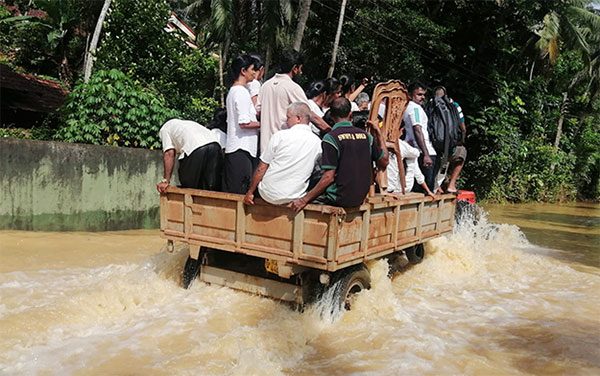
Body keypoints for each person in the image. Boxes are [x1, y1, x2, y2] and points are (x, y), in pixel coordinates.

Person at [290, 98, 388, 211]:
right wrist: (379, 134)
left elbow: (328, 177)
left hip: (339, 198)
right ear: (351, 115)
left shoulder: (331, 138)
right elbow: (384, 161)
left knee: (304, 192)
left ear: (331, 116)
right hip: (360, 197)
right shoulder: (366, 137)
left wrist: (303, 200)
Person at [244, 102, 322, 205]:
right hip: (294, 196)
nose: (286, 121)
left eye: (288, 117)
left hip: (267, 193)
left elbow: (261, 168)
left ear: (298, 118)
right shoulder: (317, 142)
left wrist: (250, 192)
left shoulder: (280, 136)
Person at [258, 50, 330, 153]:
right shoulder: (292, 88)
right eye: (300, 68)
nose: (301, 72)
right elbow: (310, 115)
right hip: (284, 147)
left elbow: (258, 112)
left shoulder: (265, 86)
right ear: (295, 68)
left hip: (265, 148)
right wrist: (331, 131)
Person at [224, 54, 260, 194]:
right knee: (238, 192)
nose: (254, 73)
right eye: (252, 69)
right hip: (241, 149)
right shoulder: (240, 92)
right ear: (243, 71)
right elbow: (244, 123)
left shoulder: (236, 91)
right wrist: (263, 123)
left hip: (241, 149)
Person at [156, 118, 222, 193]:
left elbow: (169, 153)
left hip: (195, 147)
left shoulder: (165, 128)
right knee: (211, 187)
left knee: (188, 185)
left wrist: (165, 181)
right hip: (215, 145)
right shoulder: (188, 123)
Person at [387, 123, 436, 199]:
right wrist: (408, 145)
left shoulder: (381, 142)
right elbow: (416, 153)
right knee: (412, 158)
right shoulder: (401, 145)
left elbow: (418, 174)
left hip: (393, 188)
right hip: (396, 189)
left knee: (411, 159)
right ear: (401, 130)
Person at [403, 82, 437, 191]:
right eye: (419, 94)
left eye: (423, 95)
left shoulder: (406, 108)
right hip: (424, 152)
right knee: (425, 190)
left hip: (416, 150)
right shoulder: (415, 109)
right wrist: (426, 154)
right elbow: (417, 129)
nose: (422, 97)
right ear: (409, 95)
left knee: (417, 188)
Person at [434, 86, 467, 193]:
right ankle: (451, 185)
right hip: (449, 148)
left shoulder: (429, 105)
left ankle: (436, 186)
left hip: (431, 147)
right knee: (462, 153)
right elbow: (463, 128)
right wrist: (459, 141)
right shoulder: (455, 106)